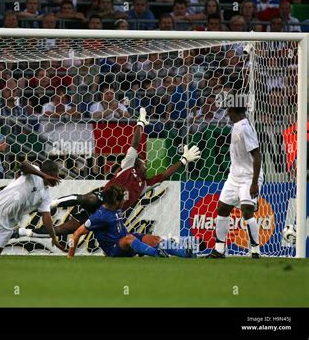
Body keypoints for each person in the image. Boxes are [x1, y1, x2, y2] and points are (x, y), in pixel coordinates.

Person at [19, 108, 201, 237]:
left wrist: (183, 161)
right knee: (89, 198)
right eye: (143, 162)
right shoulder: (128, 166)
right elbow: (135, 144)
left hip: (109, 215)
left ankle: (25, 233)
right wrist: (140, 124)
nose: (146, 164)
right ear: (137, 164)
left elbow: (165, 175)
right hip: (101, 200)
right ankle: (53, 204)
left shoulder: (145, 184)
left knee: (64, 230)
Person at [68, 185, 195, 258]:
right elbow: (76, 234)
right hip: (115, 249)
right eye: (122, 199)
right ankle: (157, 254)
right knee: (129, 238)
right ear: (116, 202)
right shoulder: (99, 216)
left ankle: (185, 254)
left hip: (126, 243)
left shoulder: (116, 208)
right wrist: (70, 257)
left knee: (155, 238)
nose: (124, 201)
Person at [205, 106, 263, 259]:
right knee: (223, 209)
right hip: (234, 176)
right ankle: (219, 250)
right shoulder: (238, 126)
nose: (227, 115)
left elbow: (257, 156)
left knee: (247, 211)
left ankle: (256, 251)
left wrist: (254, 183)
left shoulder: (245, 128)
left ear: (233, 112)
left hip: (248, 177)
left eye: (228, 112)